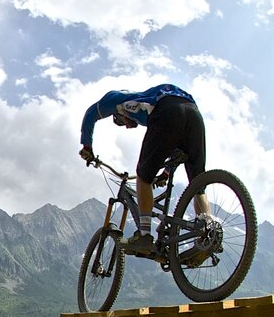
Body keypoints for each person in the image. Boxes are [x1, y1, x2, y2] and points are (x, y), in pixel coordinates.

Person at [79, 83, 209, 255]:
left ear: (118, 114)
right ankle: (207, 236)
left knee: (143, 177)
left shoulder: (117, 98)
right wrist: (166, 172)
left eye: (120, 122)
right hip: (194, 115)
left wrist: (87, 146)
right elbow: (174, 144)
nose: (127, 126)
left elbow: (90, 114)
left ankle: (144, 236)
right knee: (198, 185)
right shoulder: (147, 103)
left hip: (167, 111)